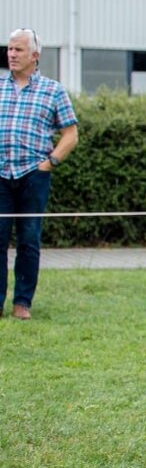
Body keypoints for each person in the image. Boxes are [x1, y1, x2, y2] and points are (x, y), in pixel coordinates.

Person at [1, 28, 78, 320]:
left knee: (29, 241)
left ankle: (22, 303)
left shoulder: (53, 90)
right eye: (9, 49)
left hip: (34, 176)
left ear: (35, 55)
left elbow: (71, 134)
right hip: (1, 176)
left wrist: (50, 163)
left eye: (18, 50)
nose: (12, 54)